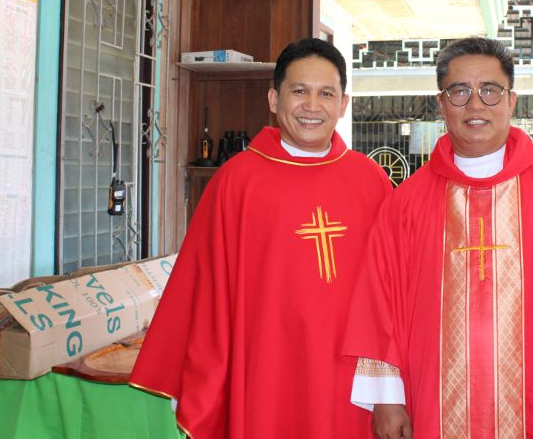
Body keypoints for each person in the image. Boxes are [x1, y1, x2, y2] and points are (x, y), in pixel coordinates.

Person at [343, 37, 533, 439]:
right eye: (459, 91)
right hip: (432, 400)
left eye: (490, 91)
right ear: (441, 104)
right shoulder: (406, 203)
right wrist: (387, 399)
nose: (475, 104)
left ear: (511, 101)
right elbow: (380, 304)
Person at [130, 38, 393, 438]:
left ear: (344, 105)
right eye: (299, 91)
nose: (312, 106)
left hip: (353, 379)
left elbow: (393, 291)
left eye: (326, 94)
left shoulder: (370, 180)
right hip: (267, 370)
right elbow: (202, 290)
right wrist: (197, 383)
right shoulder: (237, 181)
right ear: (273, 98)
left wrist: (390, 389)